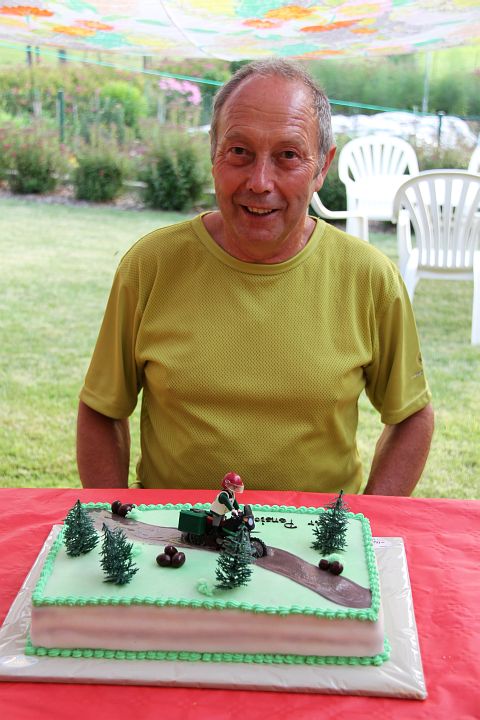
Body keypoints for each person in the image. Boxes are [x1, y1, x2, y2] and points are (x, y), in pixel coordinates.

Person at [77, 58, 434, 495]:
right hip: (171, 531)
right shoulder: (151, 265)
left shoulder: (369, 278)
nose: (260, 182)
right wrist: (115, 519)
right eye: (240, 152)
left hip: (315, 534)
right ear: (214, 155)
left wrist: (368, 519)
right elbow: (102, 409)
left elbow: (412, 416)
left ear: (322, 167)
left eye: (288, 156)